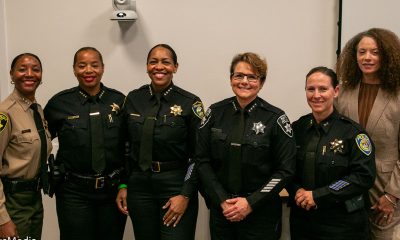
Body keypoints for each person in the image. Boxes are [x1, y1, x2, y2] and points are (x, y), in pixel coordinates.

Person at [195, 52, 296, 240]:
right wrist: (222, 199)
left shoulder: (276, 119)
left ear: (262, 82)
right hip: (223, 210)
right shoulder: (214, 113)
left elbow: (285, 170)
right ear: (231, 78)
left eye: (252, 77)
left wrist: (251, 202)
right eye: (239, 75)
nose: (244, 81)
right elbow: (202, 161)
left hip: (261, 212)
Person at [116, 44, 203, 240]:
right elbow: (124, 146)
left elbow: (199, 155)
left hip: (175, 183)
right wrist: (123, 185)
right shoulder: (133, 98)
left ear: (175, 67)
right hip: (139, 186)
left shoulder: (190, 102)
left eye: (166, 62)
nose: (159, 67)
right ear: (147, 66)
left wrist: (185, 194)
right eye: (153, 62)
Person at [44, 47, 127, 240]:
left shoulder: (119, 101)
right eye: (82, 66)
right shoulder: (59, 104)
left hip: (112, 191)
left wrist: (124, 185)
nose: (88, 70)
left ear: (103, 68)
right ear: (74, 69)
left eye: (94, 65)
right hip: (73, 193)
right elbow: (40, 141)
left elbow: (129, 147)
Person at [289, 66, 376, 240]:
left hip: (343, 225)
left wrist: (319, 196)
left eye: (323, 89)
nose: (316, 95)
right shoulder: (297, 129)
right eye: (310, 89)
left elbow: (362, 176)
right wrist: (296, 190)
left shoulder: (353, 133)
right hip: (303, 222)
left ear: (335, 91)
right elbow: (285, 168)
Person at [336, 28, 400, 239]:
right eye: (362, 52)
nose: (367, 57)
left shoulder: (398, 95)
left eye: (375, 52)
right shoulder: (343, 92)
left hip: (384, 190)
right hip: (346, 186)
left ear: (387, 56)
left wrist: (392, 195)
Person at [0, 53, 52, 239]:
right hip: (12, 202)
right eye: (22, 69)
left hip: (34, 199)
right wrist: (3, 219)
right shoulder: (5, 113)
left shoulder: (36, 110)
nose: (29, 74)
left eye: (35, 69)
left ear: (41, 75)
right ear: (12, 74)